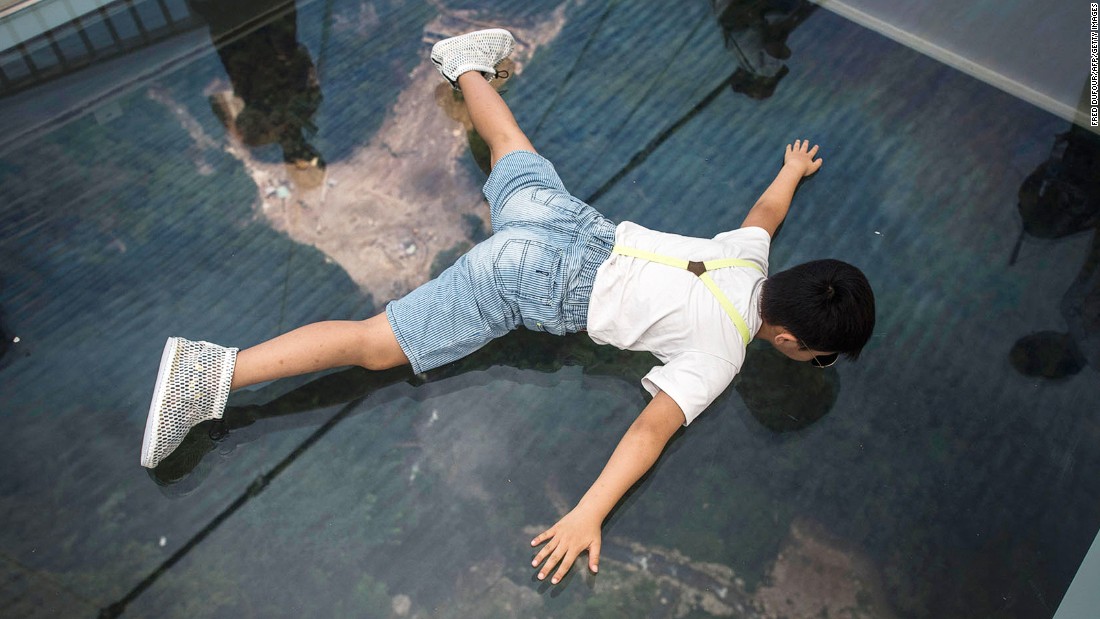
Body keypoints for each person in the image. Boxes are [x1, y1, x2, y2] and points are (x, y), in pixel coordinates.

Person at [140, 28, 875, 585]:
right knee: (376, 342)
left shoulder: (752, 259)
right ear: (783, 336)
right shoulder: (719, 354)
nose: (816, 360)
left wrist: (789, 170)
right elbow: (650, 432)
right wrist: (589, 511)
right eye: (819, 352)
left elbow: (764, 214)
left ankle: (463, 63)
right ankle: (213, 372)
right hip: (530, 281)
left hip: (572, 224)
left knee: (511, 146)